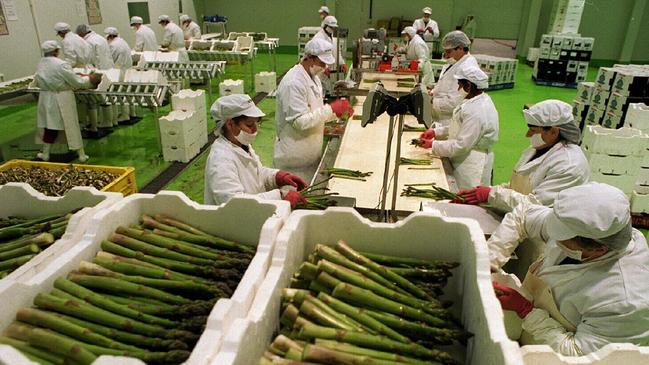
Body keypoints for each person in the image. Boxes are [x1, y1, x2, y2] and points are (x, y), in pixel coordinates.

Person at [490, 182, 649, 356]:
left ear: (598, 249)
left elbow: (578, 355)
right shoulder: (585, 228)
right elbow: (523, 215)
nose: (553, 237)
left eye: (561, 239)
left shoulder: (625, 301)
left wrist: (526, 311)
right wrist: (489, 261)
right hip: (526, 336)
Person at [455, 100, 590, 213]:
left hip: (542, 235)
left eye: (533, 130)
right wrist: (489, 191)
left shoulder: (569, 165)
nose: (528, 135)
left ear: (554, 132)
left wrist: (491, 195)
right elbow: (518, 187)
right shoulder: (538, 148)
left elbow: (535, 204)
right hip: (519, 218)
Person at [204, 94, 308, 209]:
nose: (255, 129)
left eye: (256, 123)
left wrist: (276, 177)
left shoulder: (242, 145)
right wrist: (280, 196)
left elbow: (256, 174)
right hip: (235, 223)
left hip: (253, 217)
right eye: (249, 124)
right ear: (230, 124)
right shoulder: (220, 160)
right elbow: (234, 204)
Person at [273, 38, 353, 181]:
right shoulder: (293, 83)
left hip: (309, 154)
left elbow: (314, 111)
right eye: (322, 63)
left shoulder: (313, 77)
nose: (324, 67)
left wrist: (337, 113)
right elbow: (299, 121)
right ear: (309, 57)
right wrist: (331, 109)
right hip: (294, 161)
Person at [418, 66, 498, 190]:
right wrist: (436, 132)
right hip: (463, 157)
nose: (458, 88)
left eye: (460, 85)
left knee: (467, 200)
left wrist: (433, 145)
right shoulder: (473, 100)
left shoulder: (477, 111)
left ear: (469, 86)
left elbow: (461, 145)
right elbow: (459, 126)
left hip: (472, 164)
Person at [34, 41, 99, 162]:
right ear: (56, 51)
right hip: (62, 97)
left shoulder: (40, 63)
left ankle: (46, 154)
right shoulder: (61, 64)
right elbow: (76, 82)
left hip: (46, 97)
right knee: (71, 125)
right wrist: (90, 79)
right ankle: (81, 155)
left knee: (49, 126)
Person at [423, 30, 479, 128]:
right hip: (440, 118)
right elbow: (445, 84)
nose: (446, 55)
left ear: (461, 48)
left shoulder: (466, 69)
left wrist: (431, 101)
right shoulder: (455, 61)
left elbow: (455, 103)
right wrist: (433, 91)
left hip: (449, 121)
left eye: (449, 51)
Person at [105, 27, 138, 124]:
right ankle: (132, 113)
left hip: (119, 71)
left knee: (121, 94)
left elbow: (111, 59)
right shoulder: (122, 41)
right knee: (128, 92)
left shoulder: (113, 45)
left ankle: (125, 115)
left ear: (110, 36)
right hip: (128, 69)